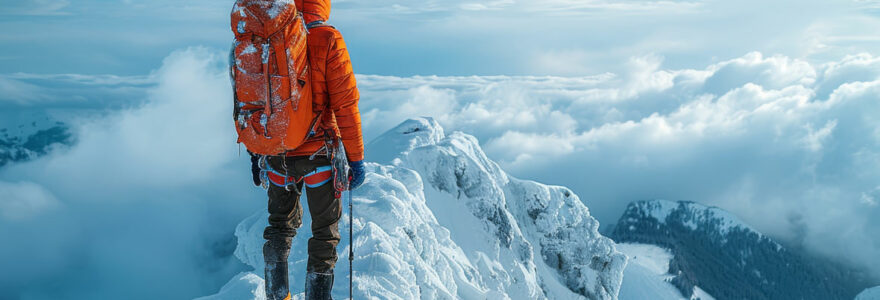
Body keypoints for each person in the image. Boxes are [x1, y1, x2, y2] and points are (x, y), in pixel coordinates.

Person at [252, 0, 365, 298]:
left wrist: (255, 150)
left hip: (277, 155)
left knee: (278, 227)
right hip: (319, 158)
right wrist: (356, 160)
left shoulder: (265, 37)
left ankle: (279, 295)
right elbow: (345, 106)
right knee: (324, 236)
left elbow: (253, 102)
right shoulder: (327, 39)